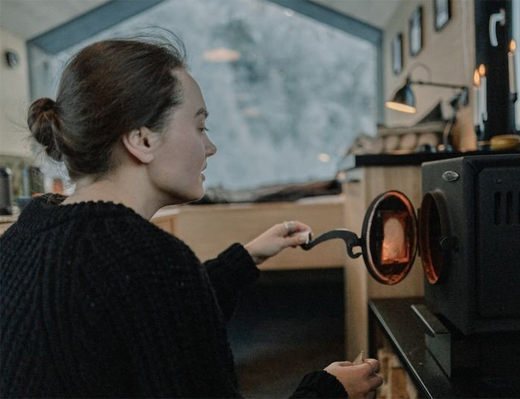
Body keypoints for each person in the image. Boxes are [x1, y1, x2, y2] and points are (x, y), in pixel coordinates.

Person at [0, 36, 383, 398]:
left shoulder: (22, 237)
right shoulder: (149, 258)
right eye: (199, 127)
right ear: (142, 139)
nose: (210, 146)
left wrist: (247, 257)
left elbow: (141, 316)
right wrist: (331, 390)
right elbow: (150, 294)